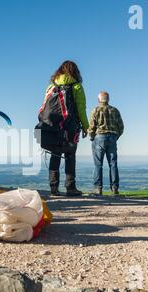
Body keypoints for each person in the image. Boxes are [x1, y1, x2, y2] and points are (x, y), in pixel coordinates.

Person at [44, 61, 90, 197]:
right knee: (70, 156)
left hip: (52, 127)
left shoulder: (51, 87)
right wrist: (86, 126)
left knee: (55, 155)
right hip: (70, 127)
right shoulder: (77, 87)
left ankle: (53, 188)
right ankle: (70, 188)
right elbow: (81, 108)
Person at [88, 92, 124, 196]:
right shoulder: (115, 110)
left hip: (99, 137)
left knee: (98, 164)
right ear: (108, 99)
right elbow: (121, 127)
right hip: (112, 137)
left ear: (99, 100)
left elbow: (91, 127)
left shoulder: (96, 110)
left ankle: (97, 188)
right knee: (113, 164)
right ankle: (114, 188)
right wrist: (116, 137)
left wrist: (91, 137)